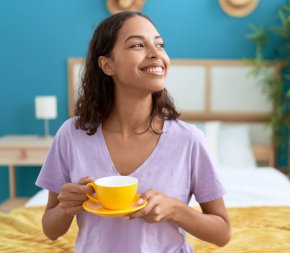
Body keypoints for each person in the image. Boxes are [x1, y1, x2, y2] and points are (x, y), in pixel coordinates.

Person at [36, 11, 231, 253]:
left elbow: (222, 233)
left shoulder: (189, 140)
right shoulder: (71, 135)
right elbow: (50, 230)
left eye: (159, 44)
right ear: (107, 65)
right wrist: (66, 207)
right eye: (138, 44)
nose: (155, 53)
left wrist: (175, 209)